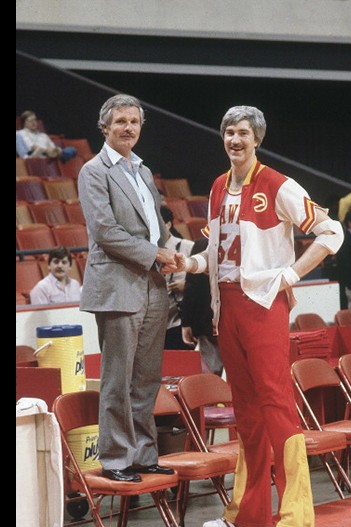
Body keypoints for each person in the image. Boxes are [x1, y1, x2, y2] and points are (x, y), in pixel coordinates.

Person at [176, 105, 344, 527]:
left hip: (264, 306)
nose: (235, 139)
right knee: (246, 410)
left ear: (258, 140)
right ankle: (249, 511)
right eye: (229, 132)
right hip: (225, 307)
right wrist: (188, 262)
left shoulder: (277, 184)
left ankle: (298, 519)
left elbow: (331, 232)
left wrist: (290, 275)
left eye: (243, 133)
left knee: (276, 405)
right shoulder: (216, 186)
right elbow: (215, 250)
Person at [77, 93, 180, 483]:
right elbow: (105, 232)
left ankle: (143, 454)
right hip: (118, 284)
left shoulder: (142, 170)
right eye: (121, 121)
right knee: (118, 378)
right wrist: (156, 252)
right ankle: (117, 459)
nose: (129, 128)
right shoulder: (93, 170)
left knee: (147, 378)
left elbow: (157, 227)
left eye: (134, 122)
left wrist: (169, 252)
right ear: (105, 127)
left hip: (154, 284)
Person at [178, 237, 224, 376]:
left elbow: (191, 286)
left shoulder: (202, 243)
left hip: (207, 320)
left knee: (213, 373)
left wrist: (186, 322)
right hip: (224, 318)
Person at [160, 205, 195, 350]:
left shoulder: (188, 247)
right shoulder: (143, 250)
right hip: (154, 324)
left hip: (178, 320)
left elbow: (203, 281)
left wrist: (186, 284)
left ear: (168, 224)